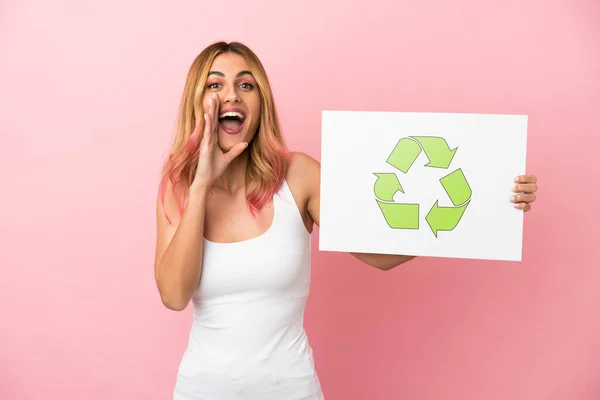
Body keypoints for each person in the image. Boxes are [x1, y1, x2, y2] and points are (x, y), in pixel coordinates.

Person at [154, 41, 539, 400]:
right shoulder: (180, 188)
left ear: (261, 102)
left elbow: (379, 254)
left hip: (291, 389)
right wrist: (202, 183)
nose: (232, 94)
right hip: (201, 390)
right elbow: (173, 295)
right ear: (197, 100)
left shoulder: (298, 175)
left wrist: (490, 204)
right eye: (214, 84)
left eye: (246, 84)